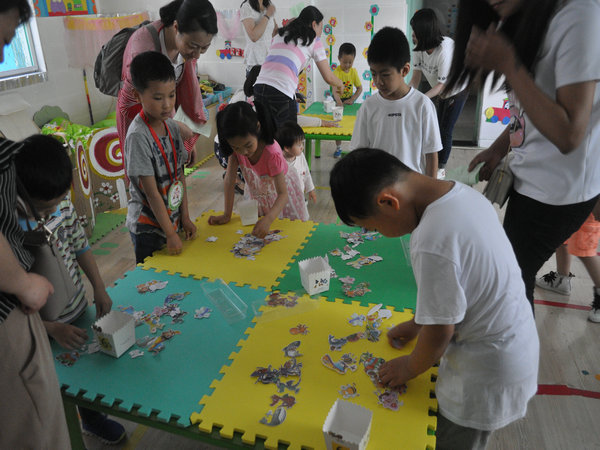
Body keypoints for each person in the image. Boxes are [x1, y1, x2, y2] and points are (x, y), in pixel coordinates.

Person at [330, 148, 539, 450]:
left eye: (373, 227)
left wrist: (409, 367)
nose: (377, 233)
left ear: (388, 202)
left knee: (454, 441)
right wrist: (418, 323)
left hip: (486, 373)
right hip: (514, 342)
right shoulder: (462, 195)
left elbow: (441, 330)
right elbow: (460, 289)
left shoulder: (431, 239)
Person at [445, 0, 600, 309]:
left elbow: (569, 134)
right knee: (513, 279)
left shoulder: (579, 14)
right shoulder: (524, 16)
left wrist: (508, 63)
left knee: (512, 284)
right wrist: (498, 148)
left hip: (559, 192)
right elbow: (529, 109)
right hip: (531, 181)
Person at [15, 135, 127, 444]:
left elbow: (80, 245)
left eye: (57, 203)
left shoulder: (61, 201)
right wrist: (51, 328)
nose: (52, 211)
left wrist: (99, 288)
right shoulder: (9, 226)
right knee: (51, 385)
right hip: (34, 326)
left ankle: (92, 419)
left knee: (85, 372)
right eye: (44, 208)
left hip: (76, 305)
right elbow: (10, 305)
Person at [0, 2, 71, 448]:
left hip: (32, 309)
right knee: (37, 426)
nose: (1, 55)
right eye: (4, 39)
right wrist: (22, 282)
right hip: (13, 311)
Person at [117, 0, 218, 166]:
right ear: (176, 27)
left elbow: (185, 94)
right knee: (145, 169)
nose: (197, 55)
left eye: (204, 48)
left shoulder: (187, 49)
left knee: (172, 169)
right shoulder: (143, 46)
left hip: (167, 116)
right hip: (137, 114)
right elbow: (141, 102)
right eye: (193, 46)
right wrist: (175, 128)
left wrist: (185, 140)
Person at [125, 51, 197, 264]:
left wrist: (185, 217)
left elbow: (179, 176)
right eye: (158, 98)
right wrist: (170, 233)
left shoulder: (172, 127)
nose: (167, 104)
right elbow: (152, 193)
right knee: (152, 279)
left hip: (172, 219)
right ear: (137, 95)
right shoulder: (138, 136)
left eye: (171, 95)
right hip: (147, 228)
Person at [350, 27, 441, 178]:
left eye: (385, 75)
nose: (378, 81)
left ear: (404, 70)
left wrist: (431, 189)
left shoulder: (422, 105)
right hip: (379, 184)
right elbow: (359, 153)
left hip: (413, 186)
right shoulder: (368, 107)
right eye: (373, 74)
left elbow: (431, 154)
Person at [209, 101, 308, 238]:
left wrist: (268, 219)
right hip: (259, 191)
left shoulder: (271, 153)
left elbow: (283, 194)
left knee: (287, 235)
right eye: (236, 147)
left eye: (248, 145)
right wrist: (227, 214)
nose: (243, 152)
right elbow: (230, 180)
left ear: (258, 127)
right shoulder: (237, 150)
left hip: (281, 192)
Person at [253, 5, 343, 128]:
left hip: (259, 88)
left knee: (266, 134)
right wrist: (340, 84)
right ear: (314, 25)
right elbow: (329, 77)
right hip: (280, 92)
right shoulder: (314, 40)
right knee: (288, 135)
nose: (321, 33)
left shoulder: (280, 34)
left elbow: (281, 66)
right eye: (321, 28)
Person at [409, 8, 468, 179]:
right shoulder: (419, 49)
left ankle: (440, 168)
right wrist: (407, 96)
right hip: (439, 89)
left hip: (456, 90)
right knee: (435, 127)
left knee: (445, 129)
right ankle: (431, 163)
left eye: (415, 31)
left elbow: (442, 86)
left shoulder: (445, 50)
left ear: (425, 32)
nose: (412, 35)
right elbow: (416, 77)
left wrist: (420, 98)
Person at [536, 199, 600, 322]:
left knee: (584, 248)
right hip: (574, 198)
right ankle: (561, 280)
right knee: (562, 233)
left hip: (591, 201)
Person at [332, 42, 363, 158]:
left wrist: (352, 99)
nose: (347, 65)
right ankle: (338, 148)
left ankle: (354, 148)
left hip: (349, 102)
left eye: (350, 62)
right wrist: (339, 101)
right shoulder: (336, 73)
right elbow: (334, 90)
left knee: (354, 124)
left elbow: (359, 88)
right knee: (338, 125)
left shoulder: (353, 72)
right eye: (345, 62)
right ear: (339, 59)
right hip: (338, 102)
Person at [276, 121, 316, 205]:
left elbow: (306, 173)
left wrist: (310, 189)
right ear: (287, 148)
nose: (302, 147)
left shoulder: (301, 156)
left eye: (302, 143)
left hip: (300, 197)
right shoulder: (279, 161)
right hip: (285, 201)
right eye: (299, 145)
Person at [239, 0, 278, 74]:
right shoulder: (246, 7)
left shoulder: (268, 4)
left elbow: (274, 32)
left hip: (270, 61)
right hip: (255, 64)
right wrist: (267, 15)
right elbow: (254, 36)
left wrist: (290, 27)